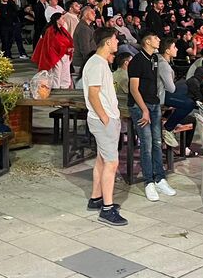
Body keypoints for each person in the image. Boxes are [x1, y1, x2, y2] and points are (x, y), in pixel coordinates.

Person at [82, 27, 127, 226]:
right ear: (108, 42)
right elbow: (93, 94)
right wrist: (105, 118)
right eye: (115, 39)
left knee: (102, 160)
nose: (117, 43)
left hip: (104, 119)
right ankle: (107, 209)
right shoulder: (96, 64)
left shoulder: (99, 63)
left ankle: (96, 198)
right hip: (103, 120)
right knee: (111, 163)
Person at [128, 32, 176, 201]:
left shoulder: (155, 59)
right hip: (140, 106)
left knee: (157, 142)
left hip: (154, 104)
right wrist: (144, 109)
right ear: (147, 41)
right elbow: (134, 88)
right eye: (156, 38)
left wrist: (156, 104)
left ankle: (160, 178)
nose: (159, 40)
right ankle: (148, 181)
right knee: (146, 144)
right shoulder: (136, 61)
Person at [157, 36, 195, 148]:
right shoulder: (163, 65)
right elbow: (171, 88)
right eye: (174, 47)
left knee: (186, 88)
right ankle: (168, 128)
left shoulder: (160, 60)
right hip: (161, 95)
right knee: (189, 103)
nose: (177, 49)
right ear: (167, 51)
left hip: (162, 92)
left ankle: (172, 119)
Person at [32, 12, 75, 89]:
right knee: (56, 75)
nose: (64, 20)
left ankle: (64, 90)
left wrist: (70, 48)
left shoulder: (62, 29)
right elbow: (53, 44)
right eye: (62, 18)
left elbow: (69, 40)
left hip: (65, 55)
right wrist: (66, 49)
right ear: (57, 20)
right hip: (56, 56)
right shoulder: (50, 30)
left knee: (65, 74)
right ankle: (56, 91)